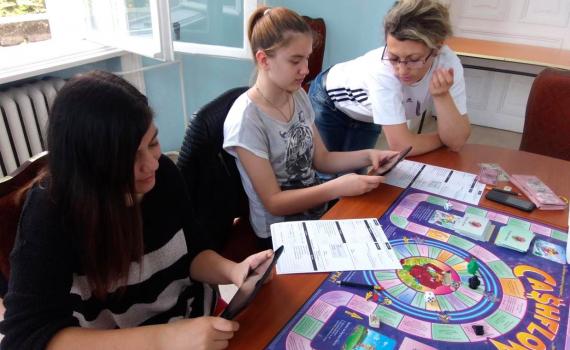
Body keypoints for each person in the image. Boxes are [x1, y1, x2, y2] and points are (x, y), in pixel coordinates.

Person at [0, 71, 273, 350]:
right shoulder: (49, 213)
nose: (151, 165)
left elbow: (193, 250)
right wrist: (165, 339)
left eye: (153, 143)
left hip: (195, 323)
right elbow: (24, 338)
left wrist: (234, 271)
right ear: (89, 167)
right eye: (129, 157)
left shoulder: (163, 175)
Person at [223, 7, 398, 247]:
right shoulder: (246, 120)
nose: (306, 69)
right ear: (264, 60)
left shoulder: (297, 96)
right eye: (296, 60)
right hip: (279, 235)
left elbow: (322, 160)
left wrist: (369, 155)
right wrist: (336, 187)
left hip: (315, 215)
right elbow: (274, 202)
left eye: (307, 57)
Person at [309, 0, 471, 158]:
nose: (401, 70)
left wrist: (442, 96)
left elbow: (456, 142)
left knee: (355, 172)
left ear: (437, 48)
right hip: (329, 101)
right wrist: (444, 138)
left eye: (413, 59)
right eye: (393, 57)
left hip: (367, 113)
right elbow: (401, 145)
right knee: (329, 175)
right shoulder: (382, 70)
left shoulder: (447, 63)